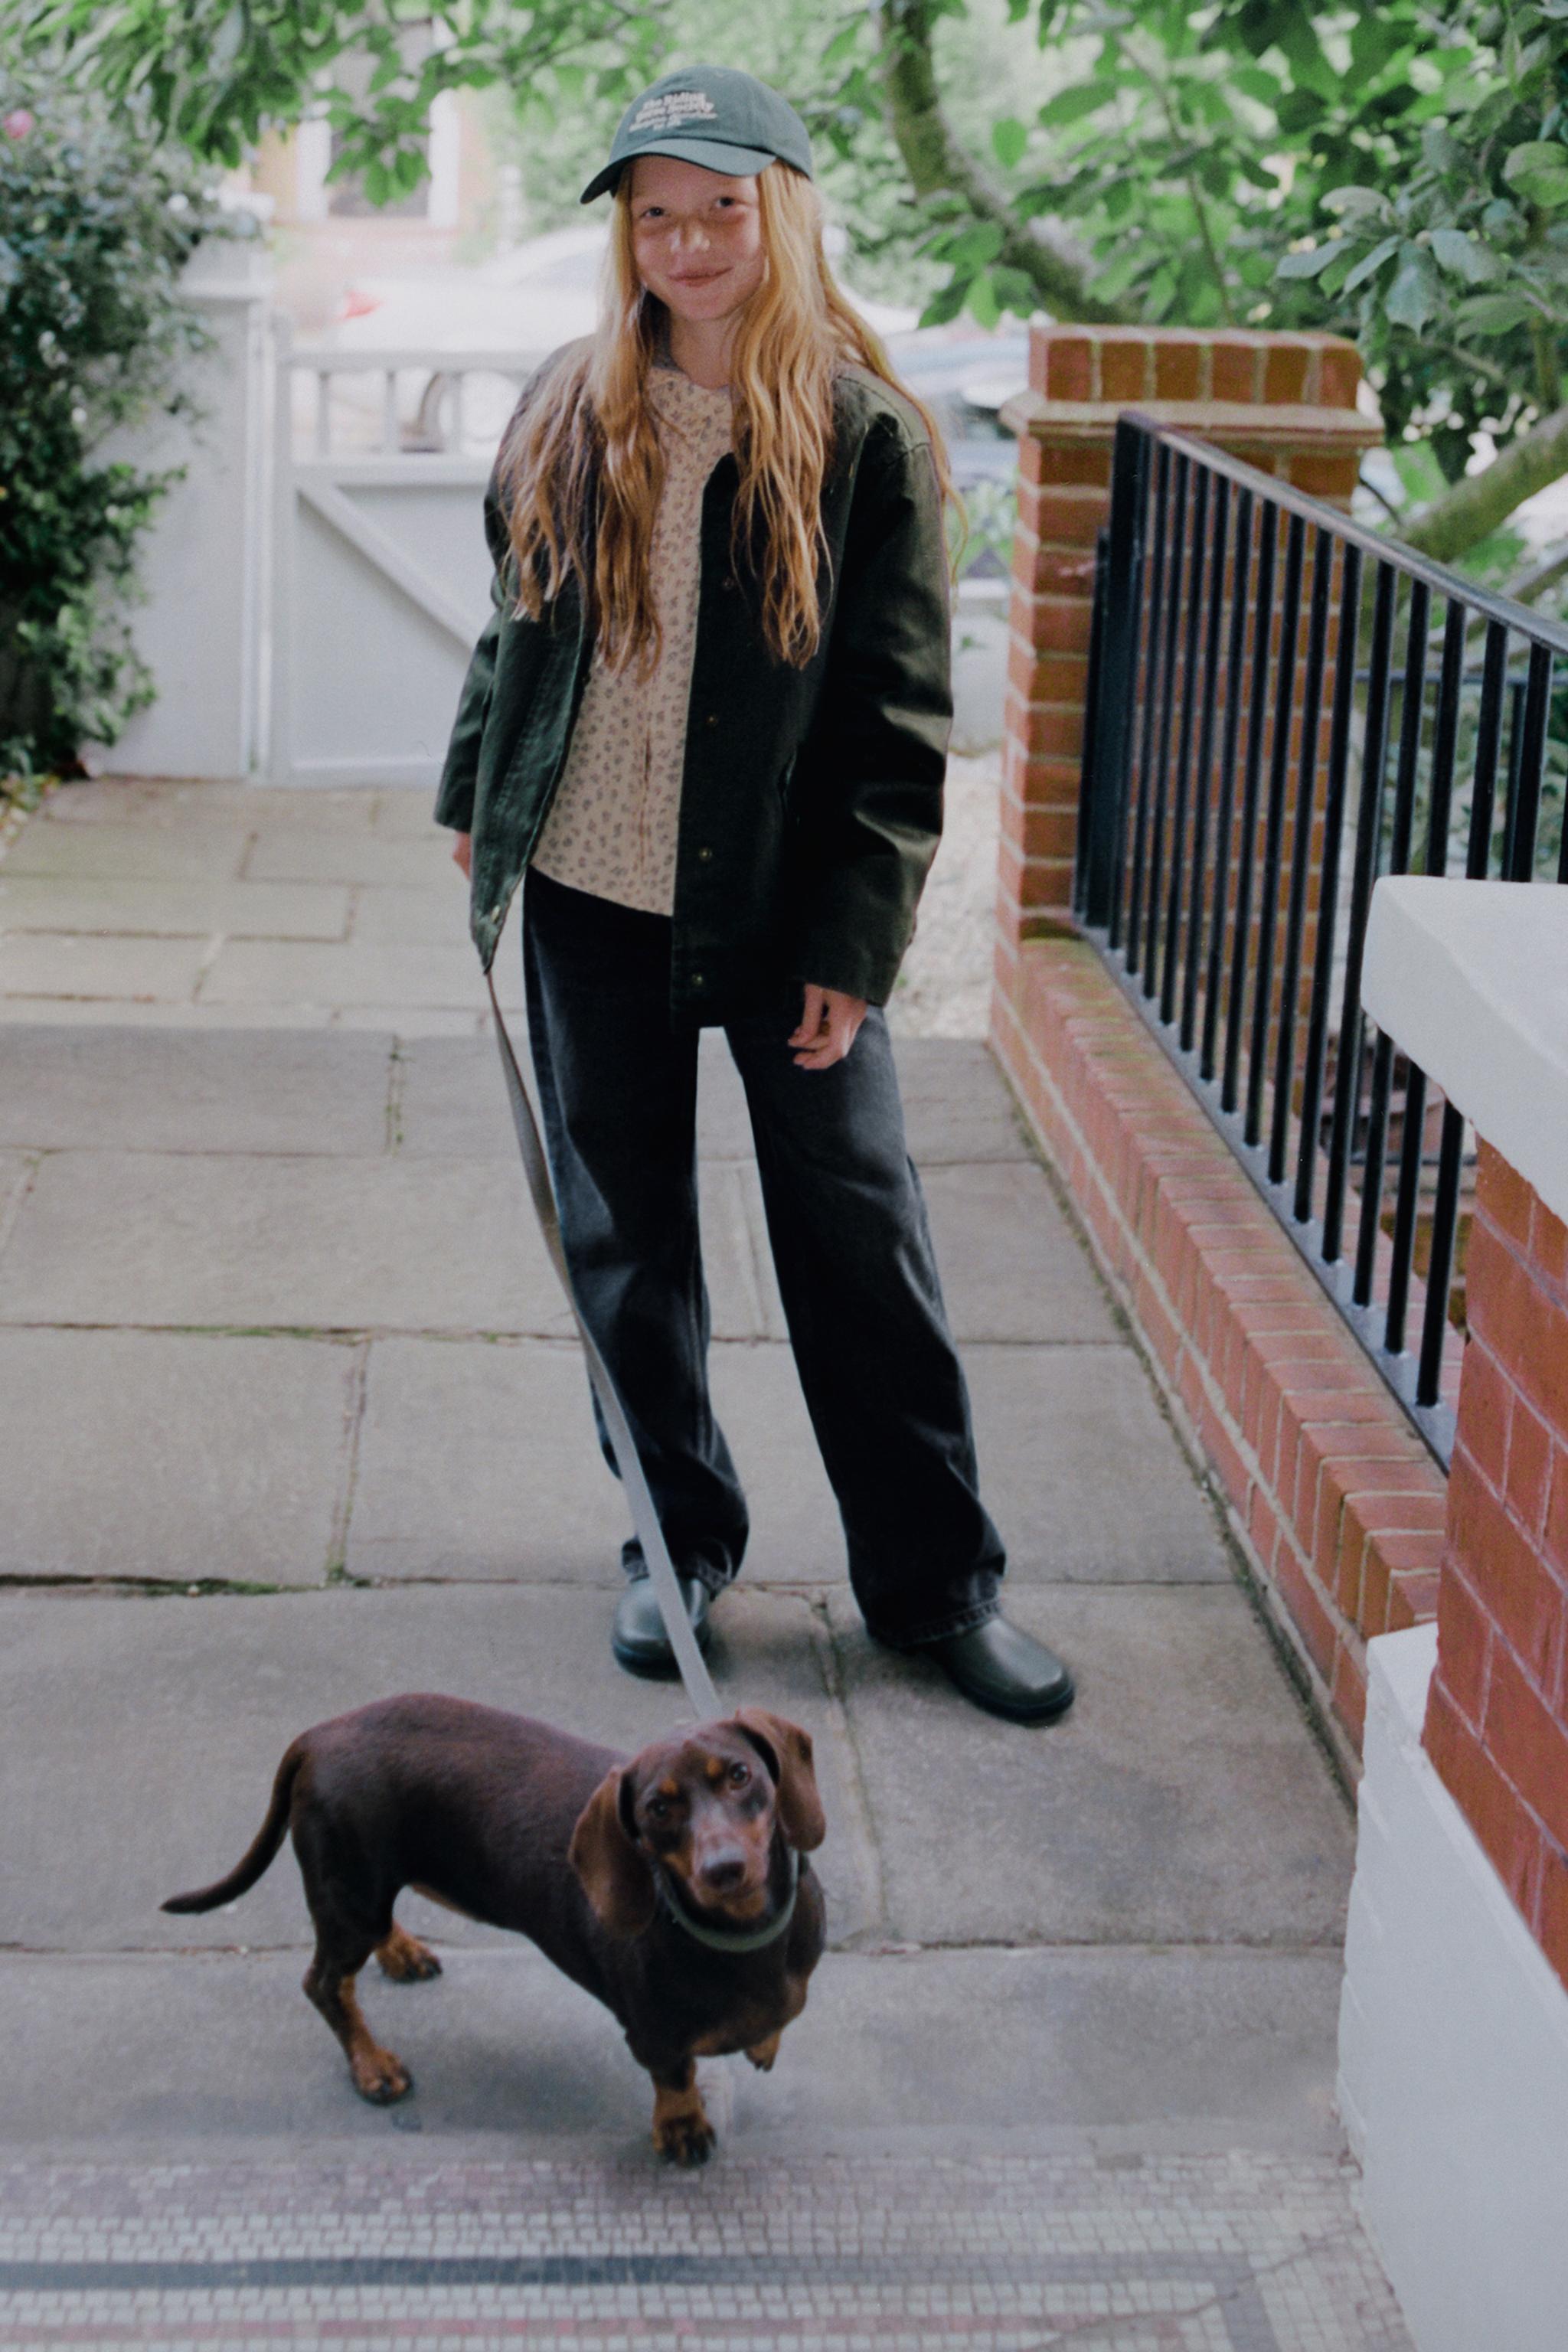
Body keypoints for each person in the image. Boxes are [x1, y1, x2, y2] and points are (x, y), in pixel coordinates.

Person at [436, 64, 1073, 1724]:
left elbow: (893, 720)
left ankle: (937, 1584)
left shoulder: (861, 435)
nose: (692, 242)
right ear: (627, 236)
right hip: (589, 890)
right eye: (658, 213)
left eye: (721, 207)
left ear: (781, 212)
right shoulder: (571, 406)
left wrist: (856, 947)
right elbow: (513, 629)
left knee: (857, 1239)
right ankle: (673, 1540)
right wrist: (470, 803)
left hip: (787, 916)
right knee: (625, 1242)